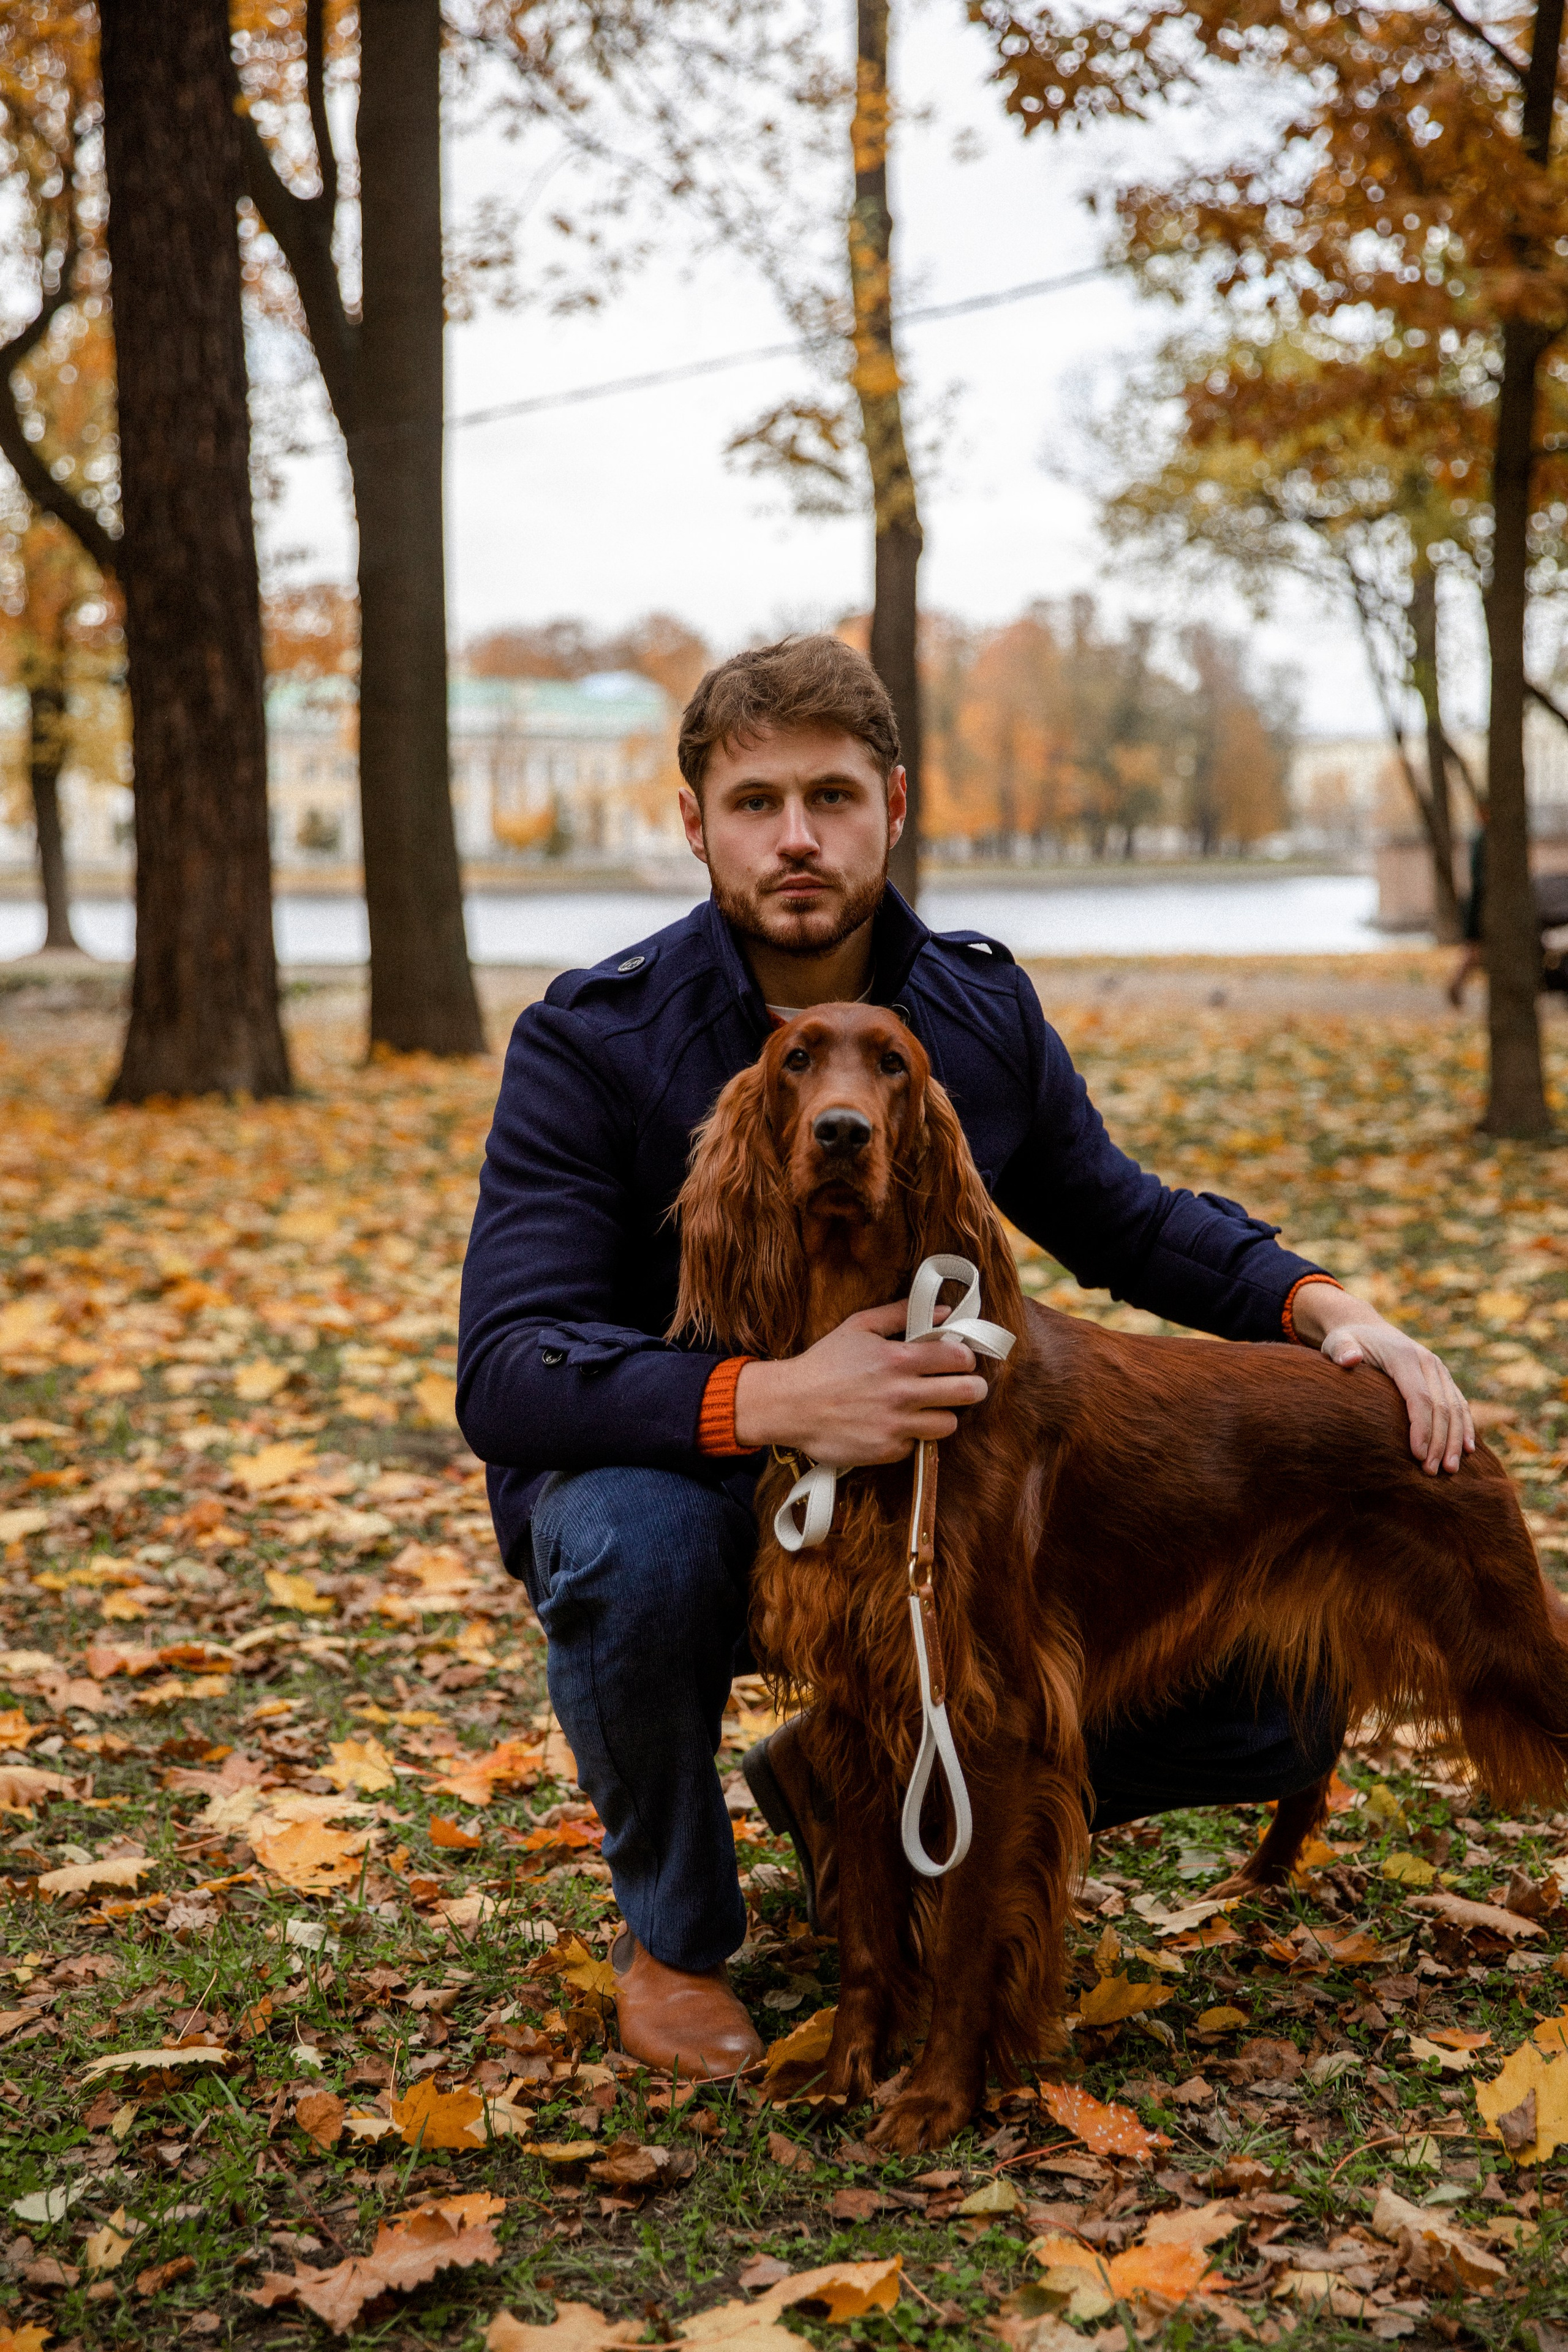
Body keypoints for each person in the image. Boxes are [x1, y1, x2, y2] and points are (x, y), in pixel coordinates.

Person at [458, 635, 1474, 2080]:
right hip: (688, 1485)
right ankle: (678, 1940)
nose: (795, 836)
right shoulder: (592, 1037)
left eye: (829, 795)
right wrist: (775, 1400)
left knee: (1275, 1706)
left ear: (893, 805)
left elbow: (1117, 1213)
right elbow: (506, 1368)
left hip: (928, 1501)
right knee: (634, 1545)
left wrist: (1323, 1308)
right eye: (754, 803)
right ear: (694, 824)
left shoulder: (979, 1011)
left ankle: (850, 1778)